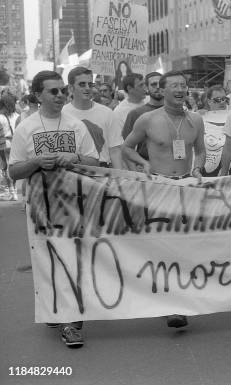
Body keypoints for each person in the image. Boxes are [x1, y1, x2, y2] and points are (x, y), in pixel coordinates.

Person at [8, 70, 99, 348]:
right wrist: (36, 162)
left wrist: (75, 157)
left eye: (62, 90)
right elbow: (14, 171)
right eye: (53, 91)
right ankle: (53, 308)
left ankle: (72, 323)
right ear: (38, 95)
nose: (60, 95)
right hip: (40, 209)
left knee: (74, 263)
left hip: (75, 206)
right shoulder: (26, 128)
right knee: (49, 264)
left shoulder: (76, 125)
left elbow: (95, 162)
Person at [122, 71, 206, 330]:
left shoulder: (196, 119)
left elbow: (200, 150)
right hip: (158, 188)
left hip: (185, 187)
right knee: (163, 247)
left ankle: (180, 300)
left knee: (183, 247)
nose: (180, 89)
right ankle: (170, 305)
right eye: (174, 86)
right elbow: (126, 147)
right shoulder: (147, 119)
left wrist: (197, 169)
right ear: (162, 89)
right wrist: (143, 163)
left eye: (183, 85)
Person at [63, 66, 123, 168]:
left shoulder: (107, 113)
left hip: (103, 171)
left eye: (90, 84)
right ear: (71, 88)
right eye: (82, 84)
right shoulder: (62, 113)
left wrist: (120, 179)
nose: (87, 88)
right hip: (72, 172)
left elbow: (115, 151)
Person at [121, 72, 164, 165]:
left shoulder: (178, 111)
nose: (158, 87)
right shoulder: (135, 114)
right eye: (153, 84)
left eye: (161, 84)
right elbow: (126, 149)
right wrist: (136, 172)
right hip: (147, 168)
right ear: (147, 87)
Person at [110, 73, 147, 167]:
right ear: (130, 88)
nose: (145, 88)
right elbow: (120, 143)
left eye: (145, 84)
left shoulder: (150, 102)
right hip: (136, 163)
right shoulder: (119, 111)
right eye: (141, 85)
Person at [200, 85, 231, 176]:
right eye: (218, 99)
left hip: (230, 168)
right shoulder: (200, 118)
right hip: (205, 169)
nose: (222, 102)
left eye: (224, 99)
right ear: (209, 101)